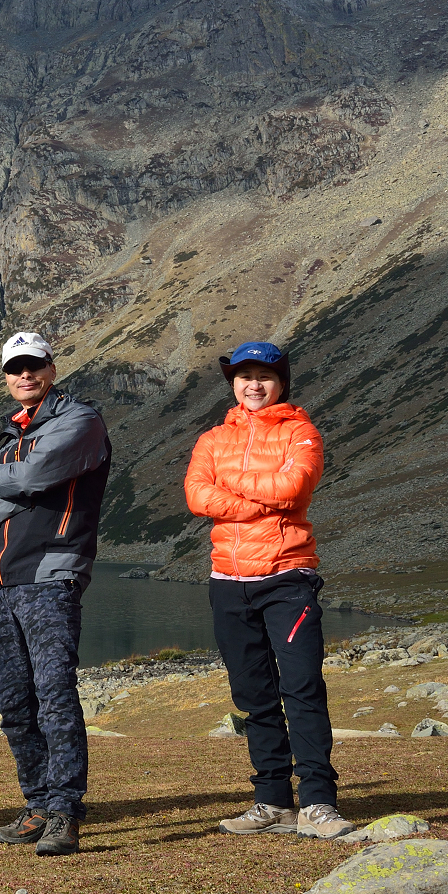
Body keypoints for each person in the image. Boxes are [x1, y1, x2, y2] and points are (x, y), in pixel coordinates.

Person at [185, 342, 352, 840]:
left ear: (281, 383)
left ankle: (318, 802)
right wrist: (261, 498)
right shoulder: (213, 438)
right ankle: (273, 801)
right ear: (233, 383)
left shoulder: (301, 432)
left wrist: (232, 485)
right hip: (228, 582)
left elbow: (294, 489)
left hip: (287, 578)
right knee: (254, 696)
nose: (253, 385)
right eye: (244, 376)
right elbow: (196, 495)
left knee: (301, 687)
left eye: (264, 376)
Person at [0, 331, 111, 858]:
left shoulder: (81, 421)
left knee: (54, 695)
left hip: (51, 575)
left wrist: (4, 478)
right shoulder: (13, 435)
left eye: (34, 365)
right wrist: (18, 482)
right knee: (14, 702)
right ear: (6, 377)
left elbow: (33, 477)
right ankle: (37, 804)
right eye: (15, 368)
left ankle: (65, 811)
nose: (24, 375)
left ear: (52, 369)